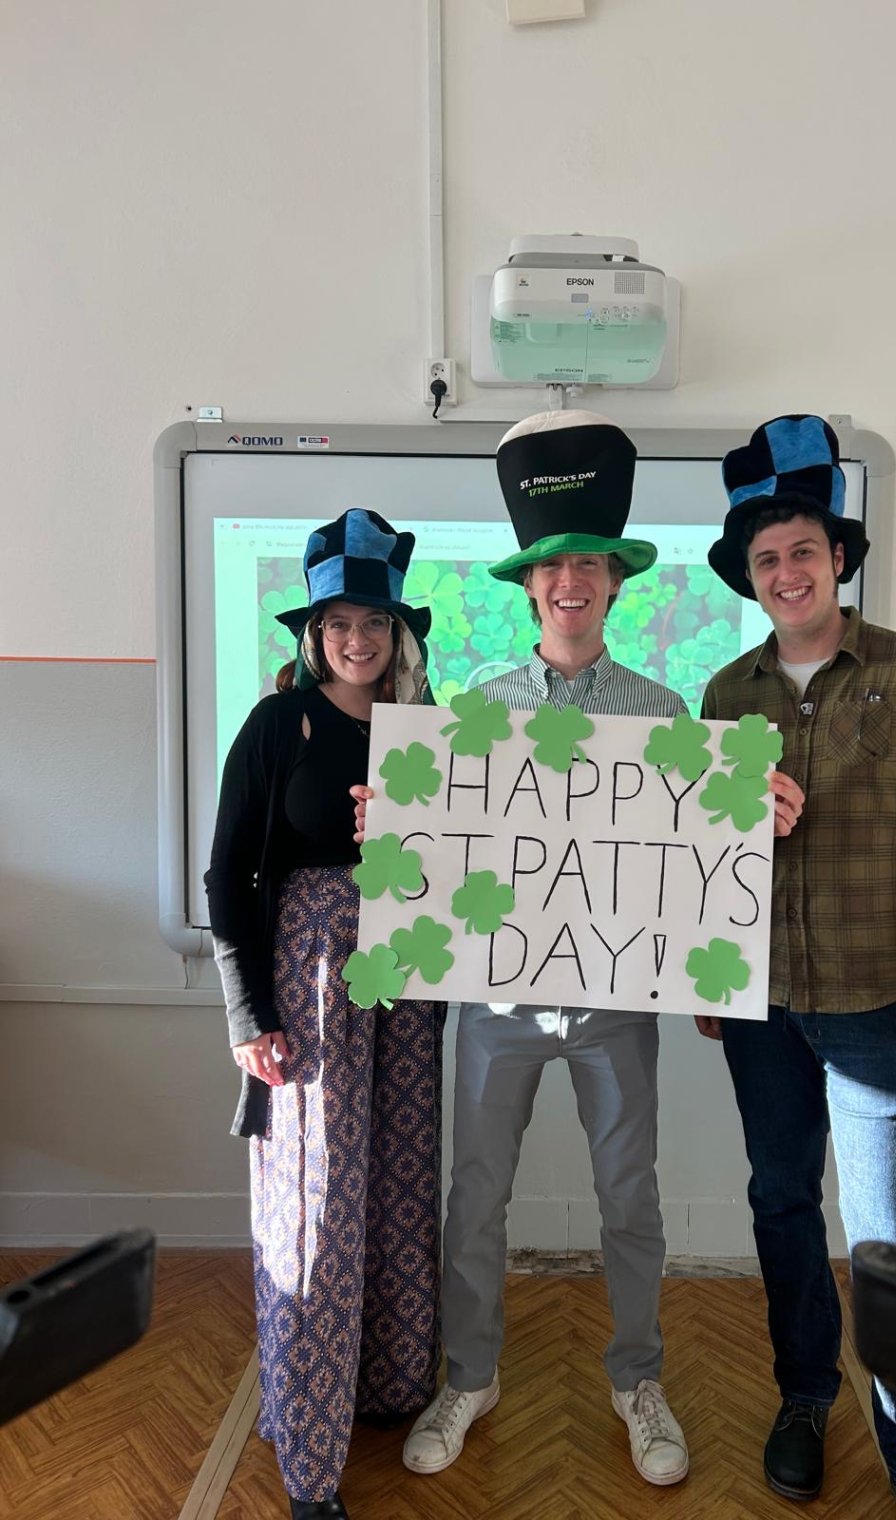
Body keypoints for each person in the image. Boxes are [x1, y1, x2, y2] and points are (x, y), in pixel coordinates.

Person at [353, 411, 803, 1487]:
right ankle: (472, 1372)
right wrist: (391, 825)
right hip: (500, 1005)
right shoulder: (469, 712)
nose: (572, 582)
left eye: (590, 565)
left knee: (630, 1199)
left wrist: (760, 812)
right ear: (528, 585)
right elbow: (439, 861)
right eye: (554, 567)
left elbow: (694, 854)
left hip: (614, 1006)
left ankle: (637, 1376)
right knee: (476, 1194)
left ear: (615, 580)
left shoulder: (661, 711)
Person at [699, 415, 896, 1520]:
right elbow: (698, 861)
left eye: (804, 550)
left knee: (890, 1235)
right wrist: (705, 977)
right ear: (752, 573)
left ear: (839, 558)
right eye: (767, 557)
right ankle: (802, 1395)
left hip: (883, 1002)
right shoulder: (727, 696)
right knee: (782, 1204)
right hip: (762, 1006)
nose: (787, 571)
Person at [206, 509, 447, 1520]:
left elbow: (465, 870)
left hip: (410, 971)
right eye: (341, 619)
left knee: (396, 1181)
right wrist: (245, 1012)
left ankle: (386, 1385)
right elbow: (228, 872)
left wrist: (416, 826)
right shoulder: (280, 724)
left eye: (377, 619)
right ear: (314, 631)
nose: (360, 637)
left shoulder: (432, 730)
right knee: (313, 1205)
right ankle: (310, 1458)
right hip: (309, 978)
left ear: (400, 631)